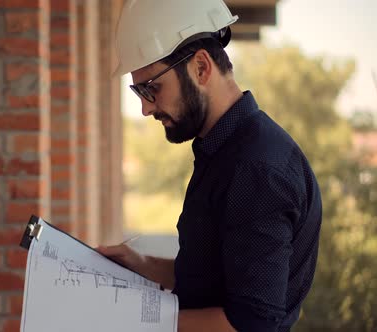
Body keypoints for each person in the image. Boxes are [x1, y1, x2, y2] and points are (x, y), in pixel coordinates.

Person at [97, 0, 323, 331]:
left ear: (201, 68)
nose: (146, 108)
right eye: (138, 91)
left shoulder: (257, 169)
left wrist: (129, 325)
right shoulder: (224, 150)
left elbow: (250, 324)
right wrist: (142, 264)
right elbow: (216, 275)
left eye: (151, 88)